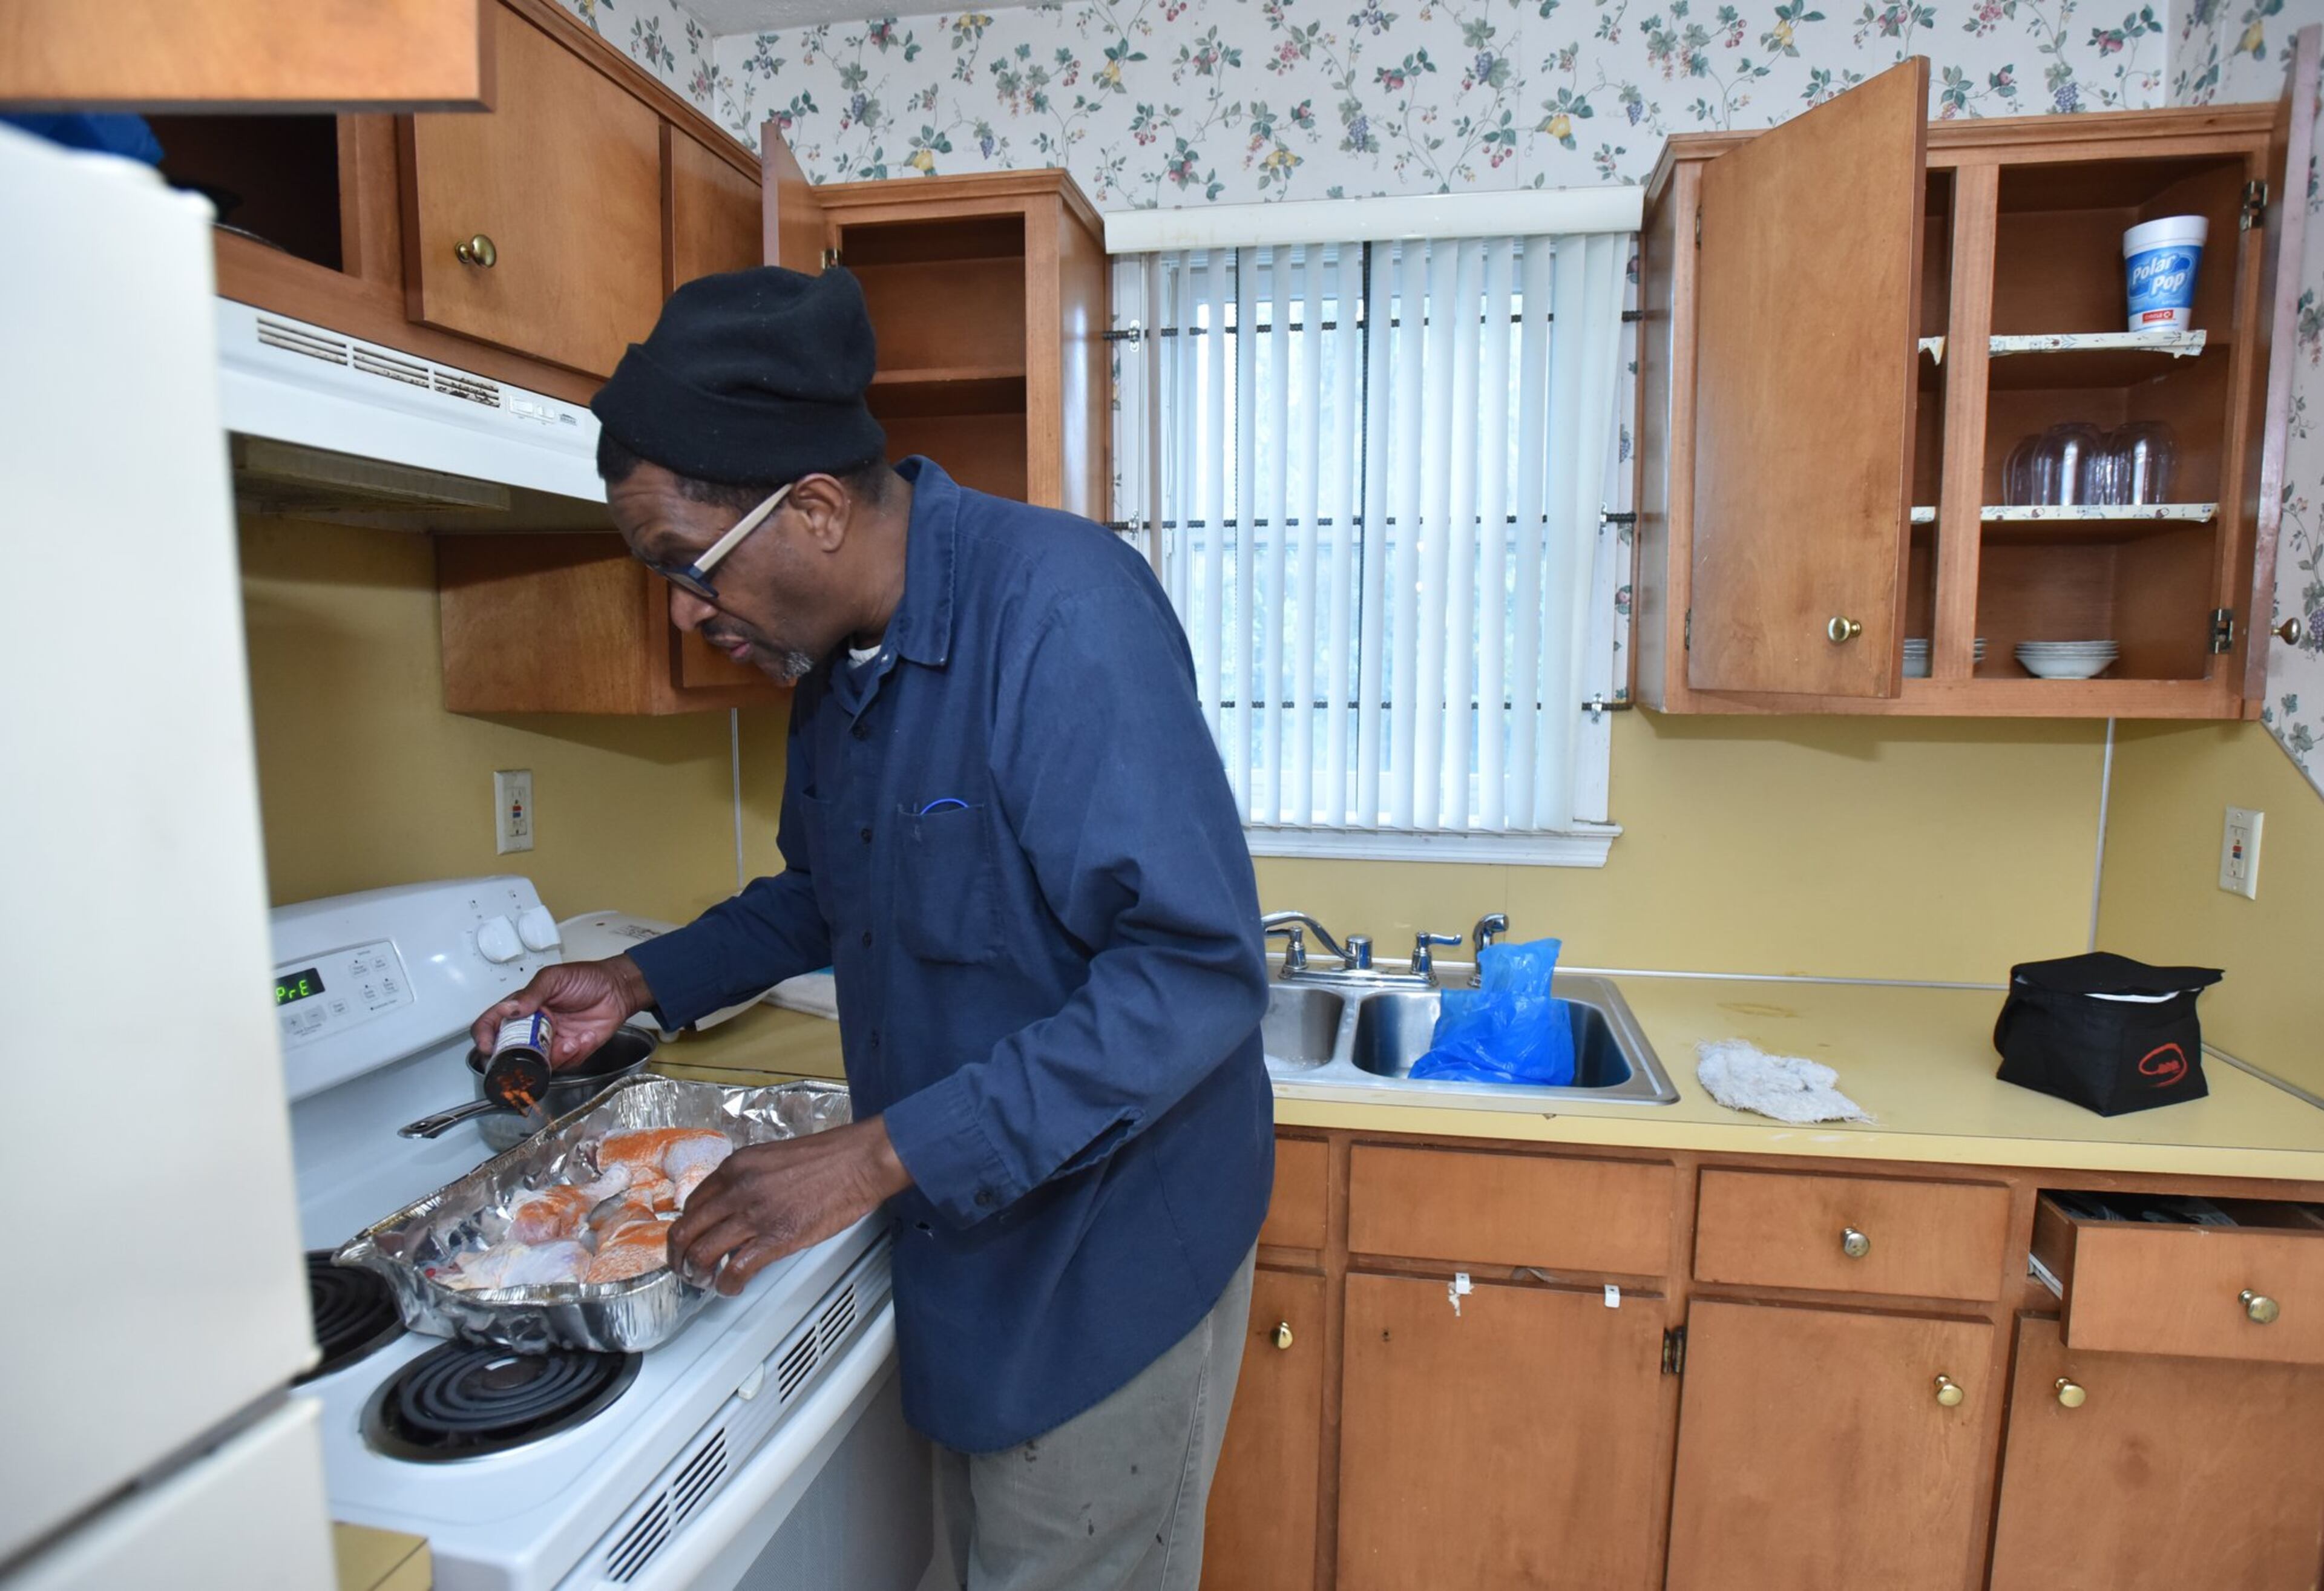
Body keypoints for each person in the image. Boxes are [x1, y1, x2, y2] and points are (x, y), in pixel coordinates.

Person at [470, 265, 1273, 1591]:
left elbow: (1192, 977)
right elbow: (827, 888)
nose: (680, 609)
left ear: (818, 510)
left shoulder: (1063, 615)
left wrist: (870, 1159)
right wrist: (638, 977)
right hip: (970, 1226)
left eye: (683, 563)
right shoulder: (834, 660)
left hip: (1108, 1247)